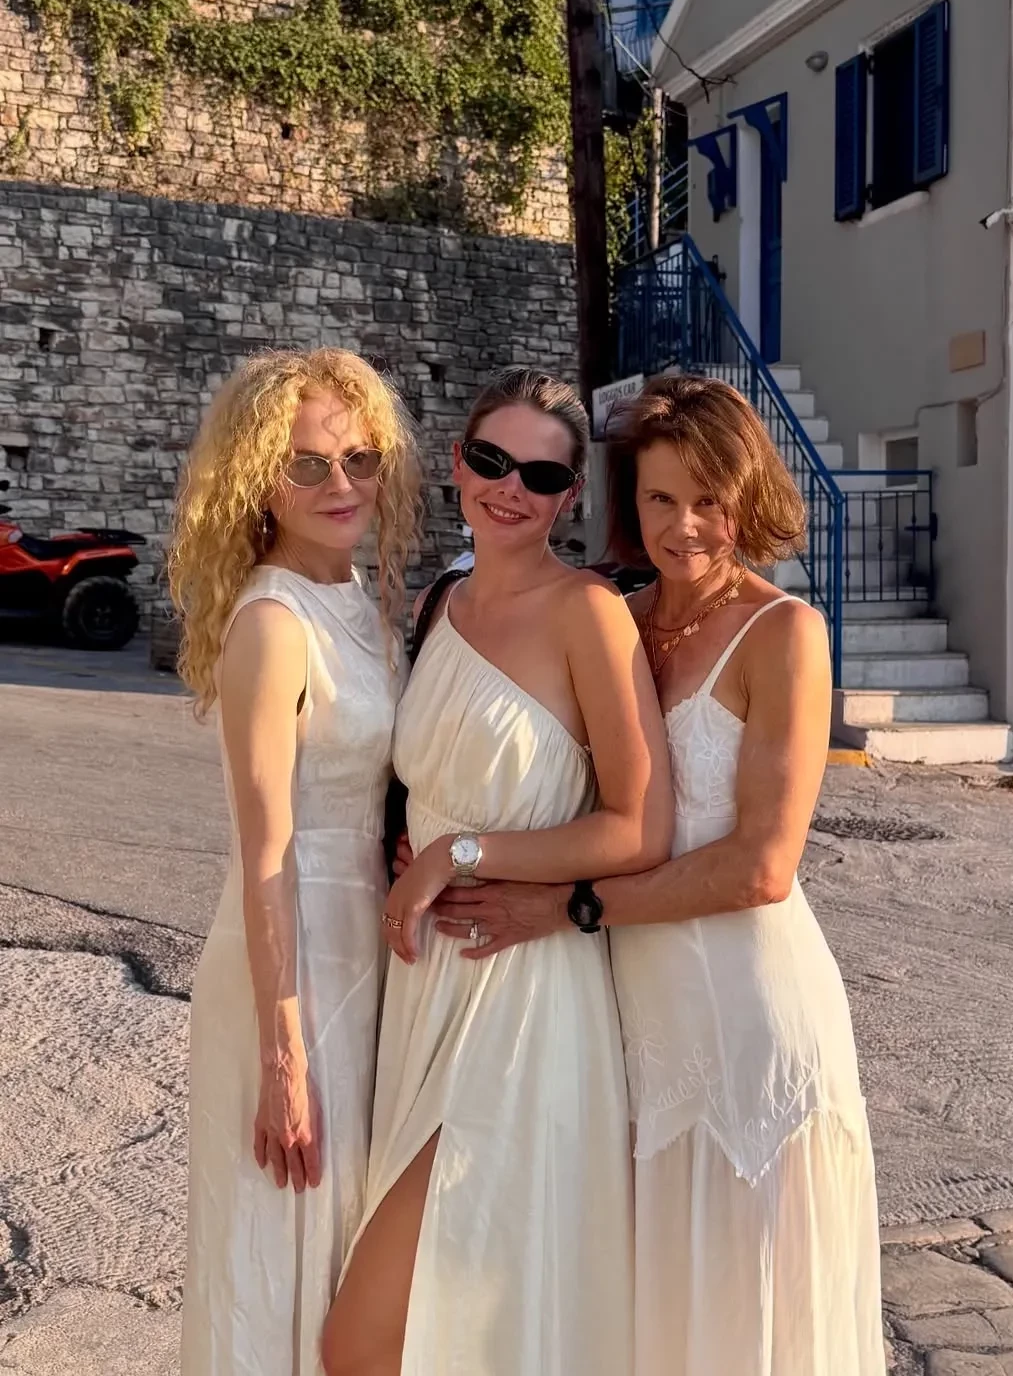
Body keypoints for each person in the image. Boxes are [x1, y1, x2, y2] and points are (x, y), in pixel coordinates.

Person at [436, 375, 886, 1376]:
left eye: (708, 499)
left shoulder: (786, 634)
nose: (684, 526)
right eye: (660, 498)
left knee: (747, 1328)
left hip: (749, 1025)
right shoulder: (615, 619)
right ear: (628, 501)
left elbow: (762, 867)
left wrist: (566, 908)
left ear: (748, 496)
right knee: (647, 1324)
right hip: (633, 1025)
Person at [321, 367, 673, 1376]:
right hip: (423, 988)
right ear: (457, 463)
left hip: (523, 995)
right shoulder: (440, 601)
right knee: (448, 1335)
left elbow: (640, 826)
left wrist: (458, 854)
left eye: (541, 474)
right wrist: (410, 841)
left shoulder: (588, 614)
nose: (510, 488)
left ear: (570, 495)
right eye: (491, 460)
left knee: (369, 1339)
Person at [169, 347, 421, 1375]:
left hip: (364, 945)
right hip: (291, 961)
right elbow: (264, 849)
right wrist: (284, 1057)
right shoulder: (273, 624)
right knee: (280, 1238)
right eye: (307, 465)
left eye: (360, 460)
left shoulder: (359, 601)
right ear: (258, 482)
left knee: (347, 1241)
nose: (341, 484)